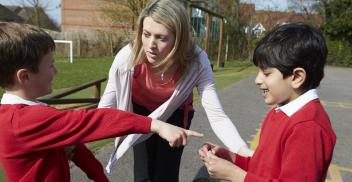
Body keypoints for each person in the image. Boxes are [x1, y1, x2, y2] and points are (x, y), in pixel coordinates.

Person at [0, 22, 204, 182]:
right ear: (25, 77)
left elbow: (80, 152)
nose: (56, 71)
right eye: (51, 66)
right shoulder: (23, 120)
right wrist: (155, 124)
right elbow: (92, 121)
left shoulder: (31, 113)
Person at [98, 0, 253, 181]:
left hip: (175, 113)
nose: (150, 45)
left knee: (166, 173)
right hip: (141, 113)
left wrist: (243, 151)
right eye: (146, 34)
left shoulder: (197, 61)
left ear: (179, 39)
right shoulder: (127, 57)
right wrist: (78, 141)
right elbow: (105, 108)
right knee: (143, 172)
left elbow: (217, 115)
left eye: (161, 38)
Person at [198, 22, 337, 182]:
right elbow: (262, 167)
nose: (257, 80)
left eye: (266, 73)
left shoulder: (307, 127)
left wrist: (235, 175)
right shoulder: (279, 112)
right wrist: (230, 158)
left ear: (297, 77)